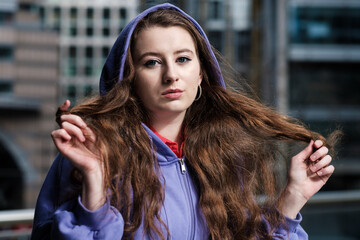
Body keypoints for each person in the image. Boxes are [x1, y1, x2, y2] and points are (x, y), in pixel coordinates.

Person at [31, 3, 340, 240]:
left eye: (182, 59)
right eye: (151, 62)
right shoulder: (93, 151)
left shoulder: (222, 156)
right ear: (130, 77)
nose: (171, 75)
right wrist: (95, 185)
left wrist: (293, 196)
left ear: (201, 72)